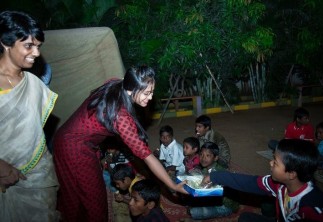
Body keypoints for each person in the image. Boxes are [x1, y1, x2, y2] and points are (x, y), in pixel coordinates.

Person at [53, 66, 187, 221]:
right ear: (130, 89)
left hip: (69, 138)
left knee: (74, 191)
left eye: (151, 92)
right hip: (73, 148)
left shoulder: (116, 84)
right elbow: (147, 157)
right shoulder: (120, 117)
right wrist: (172, 185)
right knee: (93, 199)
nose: (150, 98)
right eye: (146, 93)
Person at [0, 11, 59, 221]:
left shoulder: (33, 82)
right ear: (6, 44)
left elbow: (33, 133)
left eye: (38, 46)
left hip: (38, 176)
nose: (36, 53)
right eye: (28, 46)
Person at [202, 139, 323, 222]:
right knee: (246, 218)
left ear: (291, 174)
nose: (270, 163)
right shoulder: (279, 185)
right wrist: (215, 176)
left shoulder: (313, 209)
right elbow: (248, 182)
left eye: (275, 163)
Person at [188, 142, 239, 220]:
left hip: (225, 205)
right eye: (201, 155)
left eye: (208, 155)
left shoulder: (219, 173)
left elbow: (209, 192)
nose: (203, 158)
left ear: (215, 158)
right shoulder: (205, 169)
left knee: (194, 212)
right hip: (214, 200)